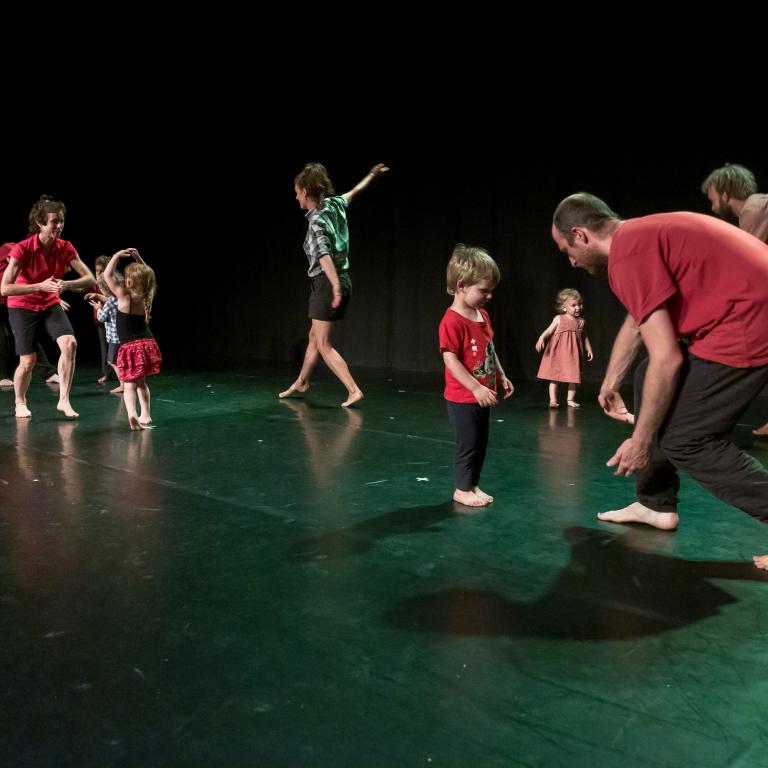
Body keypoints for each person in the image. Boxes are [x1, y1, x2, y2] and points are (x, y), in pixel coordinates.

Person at [552, 192, 768, 570]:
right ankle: (655, 504)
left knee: (687, 439)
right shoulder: (638, 237)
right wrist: (610, 381)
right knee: (641, 373)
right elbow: (639, 322)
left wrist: (641, 441)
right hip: (747, 311)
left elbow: (668, 360)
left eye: (567, 249)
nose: (571, 261)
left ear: (580, 234)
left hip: (752, 321)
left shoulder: (628, 256)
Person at [279, 162, 389, 407]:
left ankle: (353, 389)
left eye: (297, 190)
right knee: (314, 336)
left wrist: (335, 286)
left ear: (305, 192)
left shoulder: (317, 220)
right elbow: (354, 193)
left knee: (324, 344)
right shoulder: (335, 204)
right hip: (339, 280)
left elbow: (323, 255)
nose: (295, 195)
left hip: (327, 284)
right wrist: (371, 175)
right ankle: (303, 381)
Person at [0, 196, 95, 418]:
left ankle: (64, 400)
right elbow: (5, 288)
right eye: (54, 222)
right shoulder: (22, 250)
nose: (59, 226)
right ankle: (20, 401)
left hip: (49, 301)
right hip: (22, 305)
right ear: (41, 224)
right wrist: (38, 286)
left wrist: (66, 284)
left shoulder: (65, 247)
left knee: (70, 344)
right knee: (28, 360)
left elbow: (89, 277)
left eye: (61, 221)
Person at [439, 244, 513, 508]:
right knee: (468, 443)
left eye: (491, 290)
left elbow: (490, 348)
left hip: (483, 394)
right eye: (484, 290)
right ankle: (461, 489)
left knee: (481, 443)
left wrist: (501, 376)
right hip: (463, 397)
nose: (489, 296)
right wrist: (475, 388)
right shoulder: (452, 320)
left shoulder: (481, 314)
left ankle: (472, 485)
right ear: (461, 286)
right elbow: (451, 360)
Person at [102, 249, 161, 430]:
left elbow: (107, 275)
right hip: (147, 344)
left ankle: (132, 414)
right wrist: (138, 258)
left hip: (130, 347)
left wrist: (116, 256)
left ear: (129, 279)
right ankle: (146, 415)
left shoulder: (123, 295)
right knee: (142, 383)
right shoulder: (146, 296)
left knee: (129, 385)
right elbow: (149, 275)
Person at [535, 288, 593, 408]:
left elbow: (584, 337)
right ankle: (553, 400)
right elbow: (549, 330)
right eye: (573, 305)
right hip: (558, 353)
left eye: (580, 304)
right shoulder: (559, 319)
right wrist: (541, 338)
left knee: (573, 377)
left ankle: (570, 399)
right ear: (564, 307)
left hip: (573, 355)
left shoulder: (581, 322)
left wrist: (589, 349)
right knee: (554, 377)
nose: (578, 307)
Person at [702, 163, 768, 243]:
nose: (713, 208)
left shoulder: (752, 211)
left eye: (713, 201)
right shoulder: (757, 204)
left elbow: (747, 254)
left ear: (725, 196)